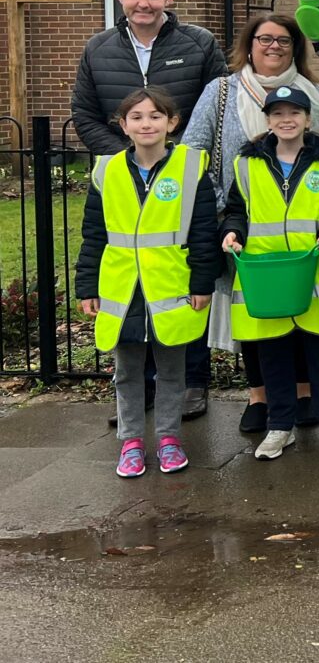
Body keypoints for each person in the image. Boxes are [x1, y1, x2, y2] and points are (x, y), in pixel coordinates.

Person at [72, 0, 227, 424]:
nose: (144, 3)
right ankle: (135, 398)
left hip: (180, 177)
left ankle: (192, 384)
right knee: (133, 288)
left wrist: (172, 157)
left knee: (181, 284)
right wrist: (126, 156)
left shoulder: (198, 43)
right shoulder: (98, 48)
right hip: (124, 179)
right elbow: (83, 113)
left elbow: (217, 102)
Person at [183, 12, 319, 434]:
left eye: (284, 40)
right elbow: (193, 152)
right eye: (264, 38)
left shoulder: (315, 95)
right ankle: (260, 396)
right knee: (255, 311)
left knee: (306, 307)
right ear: (249, 45)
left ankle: (305, 393)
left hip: (305, 231)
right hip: (242, 227)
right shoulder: (221, 92)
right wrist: (222, 210)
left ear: (295, 47)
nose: (274, 46)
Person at [74, 89, 218, 477]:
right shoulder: (107, 171)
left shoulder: (190, 168)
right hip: (122, 289)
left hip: (170, 286)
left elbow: (205, 232)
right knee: (127, 371)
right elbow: (94, 234)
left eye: (156, 116)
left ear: (172, 123)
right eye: (136, 117)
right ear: (123, 125)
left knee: (173, 370)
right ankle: (132, 442)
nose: (146, 124)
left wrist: (202, 283)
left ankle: (169, 439)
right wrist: (87, 286)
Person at [219, 86, 319, 460]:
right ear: (267, 121)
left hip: (315, 274)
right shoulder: (247, 165)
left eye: (294, 112)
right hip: (266, 276)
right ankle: (280, 427)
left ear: (308, 119)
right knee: (273, 356)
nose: (286, 120)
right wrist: (232, 232)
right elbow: (235, 210)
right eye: (277, 114)